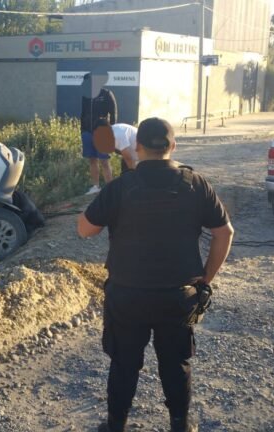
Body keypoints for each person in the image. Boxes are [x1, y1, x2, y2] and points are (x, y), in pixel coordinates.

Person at [77, 117, 235, 432]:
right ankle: (179, 425)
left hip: (127, 295)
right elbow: (224, 233)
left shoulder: (121, 186)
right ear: (173, 146)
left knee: (123, 364)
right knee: (176, 364)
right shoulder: (195, 183)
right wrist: (206, 278)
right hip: (178, 295)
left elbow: (84, 230)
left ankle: (115, 426)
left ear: (137, 147)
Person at [81, 73, 118, 194]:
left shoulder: (106, 94)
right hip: (87, 132)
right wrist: (82, 131)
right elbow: (83, 113)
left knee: (104, 161)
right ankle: (95, 187)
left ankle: (110, 188)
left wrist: (111, 129)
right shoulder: (86, 96)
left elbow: (113, 113)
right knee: (92, 160)